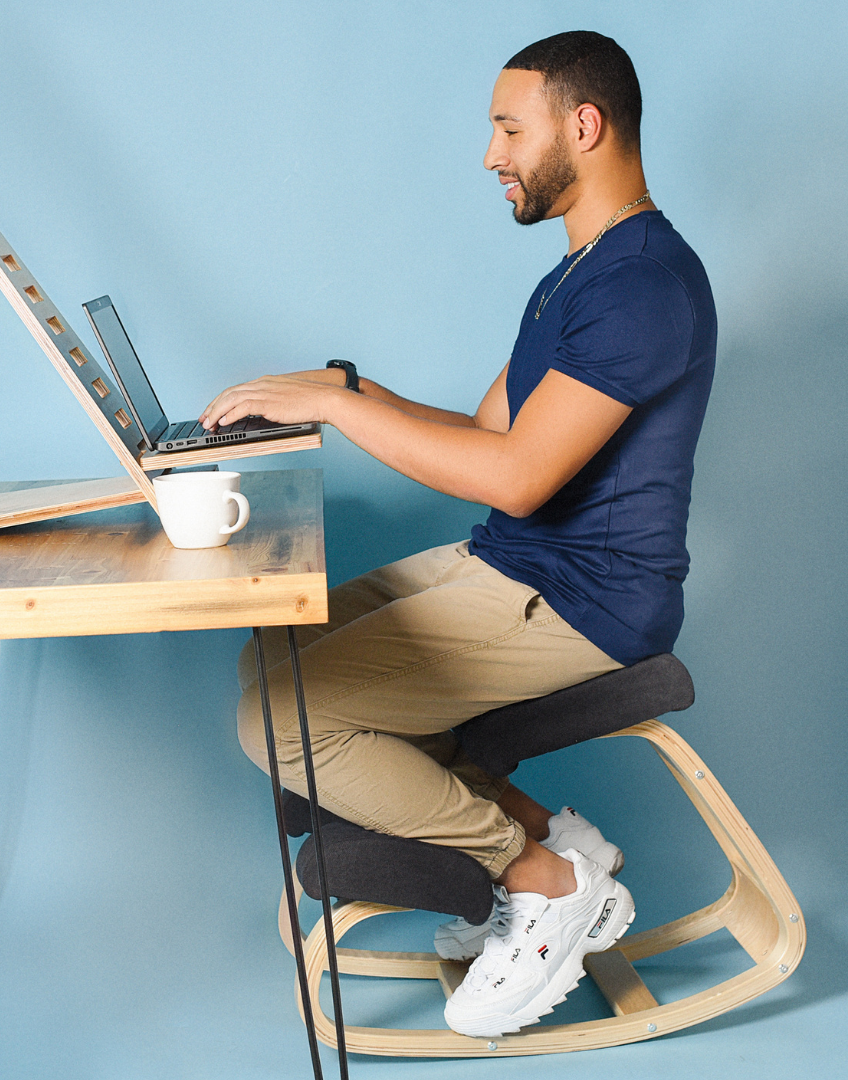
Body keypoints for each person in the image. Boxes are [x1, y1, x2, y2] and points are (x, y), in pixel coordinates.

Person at [202, 30, 716, 1037]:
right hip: (513, 566)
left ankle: (541, 881)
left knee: (281, 723)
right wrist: (344, 391)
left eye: (508, 128)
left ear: (584, 124)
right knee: (277, 651)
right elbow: (490, 430)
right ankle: (551, 840)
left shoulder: (643, 283)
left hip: (586, 599)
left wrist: (346, 415)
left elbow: (519, 478)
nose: (492, 154)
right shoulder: (576, 273)